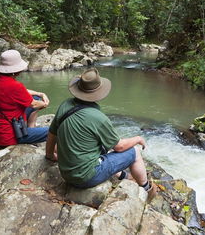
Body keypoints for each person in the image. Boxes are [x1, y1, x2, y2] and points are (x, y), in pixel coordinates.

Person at [45, 68, 157, 198]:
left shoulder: (65, 105)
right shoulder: (98, 117)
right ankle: (146, 189)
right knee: (135, 152)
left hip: (66, 173)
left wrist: (49, 155)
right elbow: (119, 146)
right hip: (86, 178)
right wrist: (138, 138)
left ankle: (123, 176)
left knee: (101, 145)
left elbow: (52, 133)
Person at [0, 49, 50, 147]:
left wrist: (40, 94)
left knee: (35, 98)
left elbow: (24, 92)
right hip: (10, 135)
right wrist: (45, 103)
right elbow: (34, 104)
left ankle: (31, 128)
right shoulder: (15, 86)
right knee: (53, 131)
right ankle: (52, 155)